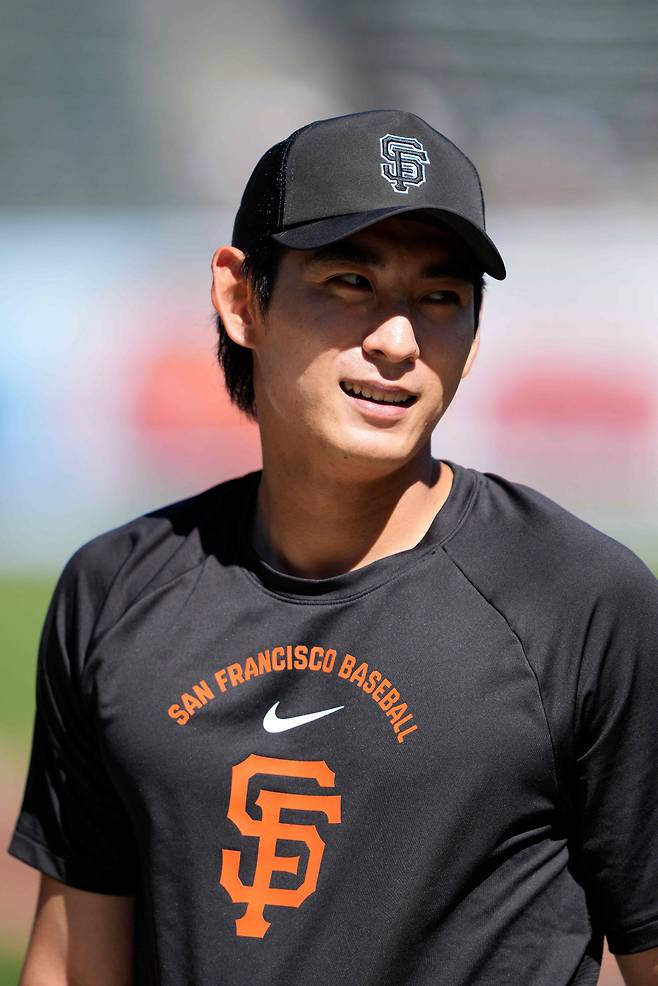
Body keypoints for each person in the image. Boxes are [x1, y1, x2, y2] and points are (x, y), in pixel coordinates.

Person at [8, 110, 658, 986]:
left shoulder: (582, 602)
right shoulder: (114, 590)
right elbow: (71, 962)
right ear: (242, 299)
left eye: (440, 298)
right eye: (351, 281)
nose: (398, 340)